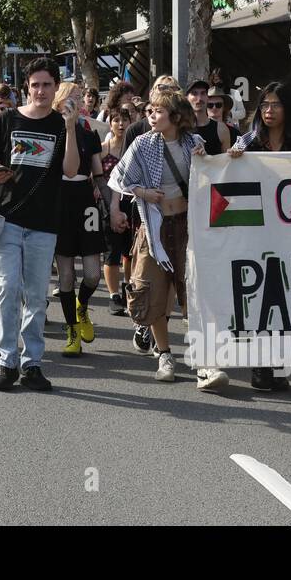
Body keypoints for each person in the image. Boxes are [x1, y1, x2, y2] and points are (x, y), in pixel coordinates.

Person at [109, 87, 226, 389]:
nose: (151, 115)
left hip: (188, 227)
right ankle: (165, 354)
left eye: (158, 111)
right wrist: (143, 192)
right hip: (154, 228)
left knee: (194, 295)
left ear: (174, 116)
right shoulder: (141, 144)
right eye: (149, 111)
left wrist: (206, 160)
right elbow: (119, 178)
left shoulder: (194, 143)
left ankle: (204, 362)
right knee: (151, 292)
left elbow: (212, 177)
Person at [0, 57, 79, 392]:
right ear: (27, 87)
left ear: (56, 87)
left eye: (47, 84)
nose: (40, 90)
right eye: (35, 84)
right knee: (8, 290)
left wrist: (69, 128)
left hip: (44, 223)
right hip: (7, 218)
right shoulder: (7, 119)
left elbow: (70, 170)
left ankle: (32, 364)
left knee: (36, 297)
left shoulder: (61, 123)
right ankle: (7, 361)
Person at [228, 81, 291, 391]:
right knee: (260, 299)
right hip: (256, 235)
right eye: (264, 104)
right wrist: (230, 159)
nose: (268, 110)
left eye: (276, 105)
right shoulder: (248, 142)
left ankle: (279, 364)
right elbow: (225, 170)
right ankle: (260, 367)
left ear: (289, 109)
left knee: (286, 300)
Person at [51, 82, 106, 357]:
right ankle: (71, 330)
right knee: (66, 275)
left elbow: (97, 170)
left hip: (87, 203)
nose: (76, 101)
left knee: (94, 273)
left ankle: (81, 306)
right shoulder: (52, 130)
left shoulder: (89, 131)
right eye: (70, 96)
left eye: (78, 97)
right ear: (59, 101)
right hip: (61, 202)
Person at [100, 105, 133, 317]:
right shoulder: (103, 148)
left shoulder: (134, 147)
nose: (121, 124)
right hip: (107, 203)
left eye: (124, 120)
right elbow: (95, 177)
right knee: (112, 251)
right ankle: (113, 295)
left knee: (129, 252)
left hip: (131, 203)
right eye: (116, 120)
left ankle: (129, 288)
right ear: (110, 123)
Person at [186, 79, 231, 155]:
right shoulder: (180, 128)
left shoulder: (221, 129)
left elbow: (226, 163)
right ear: (186, 98)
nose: (199, 98)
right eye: (194, 93)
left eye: (203, 93)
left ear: (207, 97)